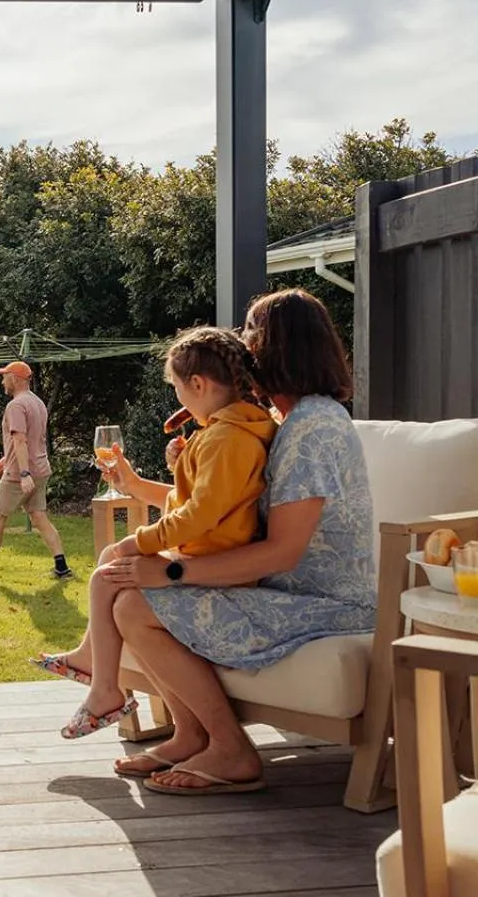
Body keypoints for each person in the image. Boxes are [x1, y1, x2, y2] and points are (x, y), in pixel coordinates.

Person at [36, 289, 374, 795]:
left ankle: (230, 748)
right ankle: (193, 733)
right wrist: (139, 487)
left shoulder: (314, 429)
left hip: (321, 605)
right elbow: (224, 508)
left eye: (251, 333)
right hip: (273, 588)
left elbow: (283, 552)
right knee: (127, 597)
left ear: (279, 346)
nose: (242, 346)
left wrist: (172, 571)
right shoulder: (284, 423)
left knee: (132, 601)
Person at [48, 326, 275, 740]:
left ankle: (104, 687)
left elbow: (199, 517)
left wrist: (140, 540)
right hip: (206, 554)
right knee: (107, 563)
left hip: (218, 569)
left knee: (108, 570)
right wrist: (146, 480)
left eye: (177, 388)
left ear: (199, 384)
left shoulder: (229, 439)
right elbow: (206, 504)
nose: (179, 399)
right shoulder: (225, 433)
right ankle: (93, 665)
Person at [0, 360, 73, 581]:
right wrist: (4, 460)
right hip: (41, 469)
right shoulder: (37, 403)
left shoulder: (16, 406)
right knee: (39, 516)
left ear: (15, 379)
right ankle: (62, 567)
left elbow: (20, 440)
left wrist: (23, 474)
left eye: (5, 376)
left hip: (20, 474)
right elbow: (31, 441)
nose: (2, 381)